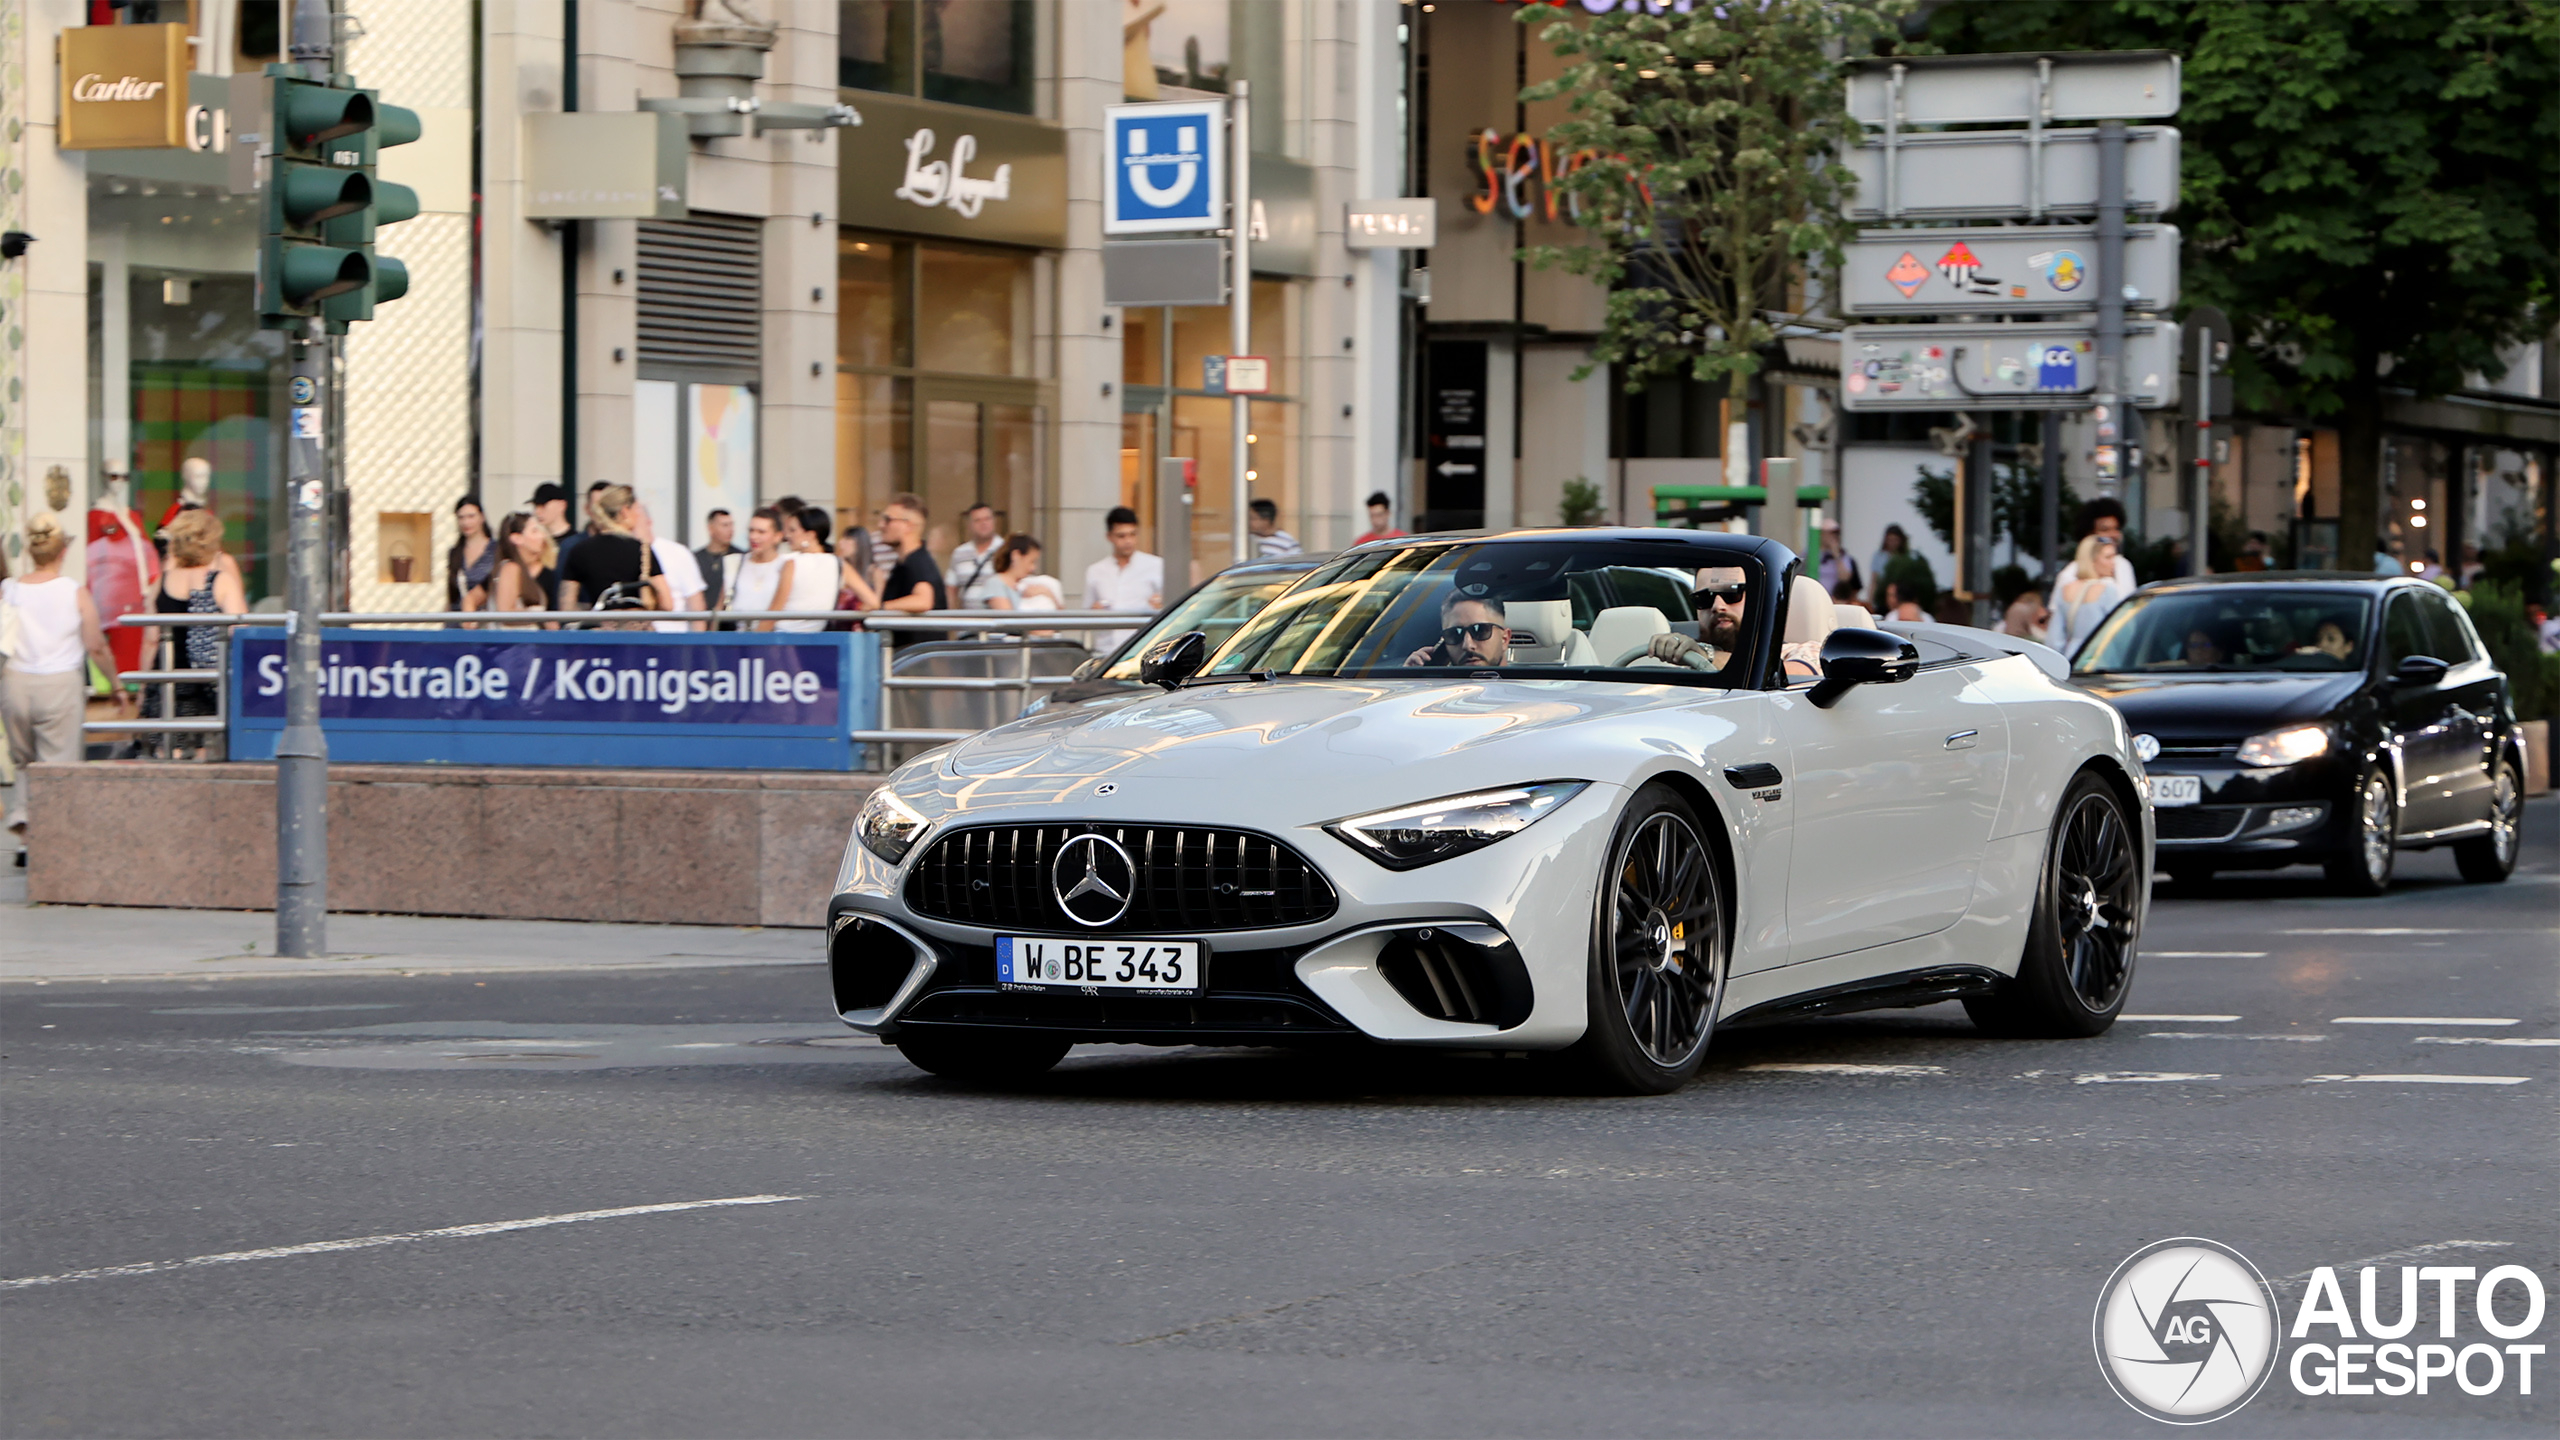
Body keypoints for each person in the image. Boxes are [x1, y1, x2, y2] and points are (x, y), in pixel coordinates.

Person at [4, 516, 132, 848]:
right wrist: (116, 685)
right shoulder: (74, 592)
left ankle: (24, 828)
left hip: (15, 684)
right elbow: (95, 646)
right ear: (63, 550)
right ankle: (46, 841)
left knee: (23, 761)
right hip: (59, 686)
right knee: (56, 765)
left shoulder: (9, 590)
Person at [141, 510, 248, 750]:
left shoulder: (162, 581)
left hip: (166, 680)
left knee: (166, 750)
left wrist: (143, 684)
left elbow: (150, 639)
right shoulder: (221, 581)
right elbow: (240, 633)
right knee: (206, 753)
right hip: (208, 683)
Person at [1645, 567, 1821, 679]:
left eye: (1732, 594)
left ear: (1761, 600)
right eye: (1704, 598)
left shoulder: (1805, 651)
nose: (1717, 606)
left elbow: (1789, 676)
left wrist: (1705, 656)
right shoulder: (1676, 659)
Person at [556, 484, 666, 614]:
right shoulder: (642, 550)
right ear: (625, 511)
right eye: (635, 509)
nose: (637, 515)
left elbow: (566, 605)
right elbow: (667, 603)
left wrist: (595, 609)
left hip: (600, 630)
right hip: (637, 630)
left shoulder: (580, 550)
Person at [1082, 505, 1164, 651]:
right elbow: (1087, 612)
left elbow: (1169, 605)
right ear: (1109, 537)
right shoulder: (1096, 571)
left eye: (1133, 534)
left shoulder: (1156, 565)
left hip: (1143, 647)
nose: (1128, 541)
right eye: (1121, 536)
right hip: (1106, 649)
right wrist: (1095, 611)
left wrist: (1160, 604)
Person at [873, 493, 948, 645]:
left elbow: (924, 600)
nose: (881, 525)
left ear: (908, 525)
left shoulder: (918, 561)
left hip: (915, 660)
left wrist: (881, 607)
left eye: (888, 520)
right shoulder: (904, 563)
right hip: (910, 658)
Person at [631, 498, 707, 633]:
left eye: (636, 522)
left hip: (672, 638)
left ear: (649, 522)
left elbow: (696, 604)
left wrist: (696, 645)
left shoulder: (677, 553)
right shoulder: (623, 554)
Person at [2049, 533, 2129, 658]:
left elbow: (2054, 641)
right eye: (2108, 557)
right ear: (2092, 560)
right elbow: (2120, 635)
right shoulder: (2107, 590)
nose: (2113, 563)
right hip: (2100, 659)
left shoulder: (2064, 589)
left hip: (2072, 659)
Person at [773, 505, 849, 633]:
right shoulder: (838, 563)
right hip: (817, 639)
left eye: (793, 530)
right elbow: (872, 602)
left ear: (810, 535)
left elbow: (774, 611)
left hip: (783, 638)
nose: (787, 536)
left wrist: (752, 641)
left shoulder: (792, 563)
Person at [1406, 594, 1513, 667]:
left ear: (1505, 639)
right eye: (1455, 634)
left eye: (1480, 630)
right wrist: (1411, 682)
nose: (1467, 645)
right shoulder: (1435, 693)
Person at [489, 510, 559, 621]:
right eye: (535, 531)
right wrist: (539, 616)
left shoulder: (543, 571)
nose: (542, 536)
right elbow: (505, 613)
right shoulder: (510, 568)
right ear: (517, 538)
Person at [730, 507, 789, 623]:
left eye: (761, 532)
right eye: (751, 531)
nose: (753, 537)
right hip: (737, 636)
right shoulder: (735, 562)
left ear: (778, 536)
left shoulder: (786, 565)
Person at [946, 502, 1005, 608]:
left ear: (994, 521)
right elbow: (951, 589)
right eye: (977, 520)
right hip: (968, 620)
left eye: (987, 519)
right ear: (970, 526)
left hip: (997, 620)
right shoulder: (959, 553)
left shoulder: (1005, 550)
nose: (983, 523)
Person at [446, 496, 496, 615]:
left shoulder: (496, 549)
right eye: (461, 518)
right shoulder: (455, 552)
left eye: (471, 516)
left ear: (482, 517)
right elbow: (451, 594)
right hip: (457, 618)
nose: (466, 522)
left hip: (486, 618)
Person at [694, 508, 743, 613]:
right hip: (702, 618)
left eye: (731, 525)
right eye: (725, 525)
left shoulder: (740, 557)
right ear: (710, 528)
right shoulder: (696, 559)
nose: (730, 530)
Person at [531, 482, 579, 571]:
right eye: (536, 506)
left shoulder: (577, 543)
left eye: (543, 505)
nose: (537, 511)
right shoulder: (537, 542)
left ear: (562, 505)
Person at [1816, 519, 1860, 598]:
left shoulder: (1843, 556)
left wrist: (1836, 555)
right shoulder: (1810, 552)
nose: (1834, 537)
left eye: (1836, 534)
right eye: (1830, 534)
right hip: (1816, 596)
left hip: (1834, 599)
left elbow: (1845, 578)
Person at [1870, 524, 1910, 609]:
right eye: (1890, 540)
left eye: (1895, 540)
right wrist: (1870, 601)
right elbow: (1874, 580)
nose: (1892, 543)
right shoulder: (1879, 556)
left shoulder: (1905, 558)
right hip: (1882, 598)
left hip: (1900, 599)